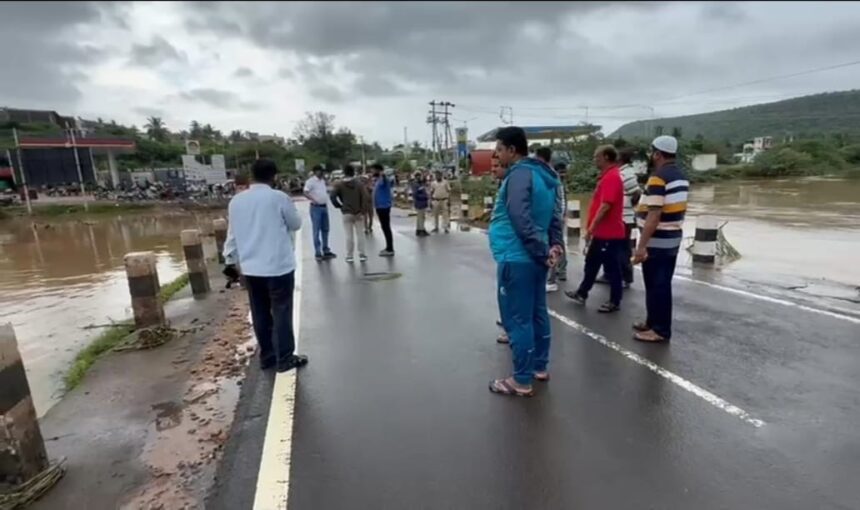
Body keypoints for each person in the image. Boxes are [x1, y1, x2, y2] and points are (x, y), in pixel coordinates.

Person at [488, 127, 563, 398]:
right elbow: (555, 216)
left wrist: (541, 250)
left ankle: (520, 380)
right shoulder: (545, 174)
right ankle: (539, 367)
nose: (497, 154)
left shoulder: (519, 174)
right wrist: (554, 245)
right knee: (537, 312)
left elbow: (520, 218)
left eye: (498, 149)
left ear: (511, 150)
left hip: (517, 256)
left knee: (518, 319)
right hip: (534, 256)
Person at [222, 158, 308, 373]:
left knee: (260, 312)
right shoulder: (279, 198)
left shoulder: (236, 202)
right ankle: (285, 358)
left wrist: (229, 261)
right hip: (278, 266)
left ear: (252, 175)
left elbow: (231, 236)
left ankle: (267, 357)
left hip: (250, 268)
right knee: (281, 311)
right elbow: (295, 224)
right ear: (274, 176)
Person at [632, 135, 689, 343]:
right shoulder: (680, 176)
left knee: (658, 285)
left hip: (658, 240)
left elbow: (653, 216)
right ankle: (652, 321)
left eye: (651, 152)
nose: (650, 155)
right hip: (672, 238)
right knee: (657, 283)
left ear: (657, 154)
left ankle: (660, 330)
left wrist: (641, 246)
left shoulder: (658, 177)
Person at [564, 145, 626, 313]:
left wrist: (591, 228)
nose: (594, 160)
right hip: (602, 232)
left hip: (609, 233)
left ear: (606, 157)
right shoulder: (606, 176)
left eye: (596, 157)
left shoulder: (612, 177)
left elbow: (606, 206)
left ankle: (615, 301)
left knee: (612, 268)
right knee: (591, 263)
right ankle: (582, 292)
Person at [597, 148, 641, 287]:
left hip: (624, 218)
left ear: (620, 160)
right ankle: (609, 274)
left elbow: (636, 193)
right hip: (617, 217)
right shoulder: (617, 172)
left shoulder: (627, 174)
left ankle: (625, 277)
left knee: (622, 250)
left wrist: (627, 205)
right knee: (610, 249)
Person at [535, 147, 568, 292]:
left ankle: (551, 279)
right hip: (554, 216)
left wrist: (558, 216)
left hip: (552, 217)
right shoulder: (549, 174)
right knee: (557, 244)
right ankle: (560, 271)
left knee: (551, 246)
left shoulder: (548, 175)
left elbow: (557, 198)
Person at [330, 164, 371, 263]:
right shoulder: (359, 184)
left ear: (344, 172)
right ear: (353, 172)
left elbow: (332, 196)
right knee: (360, 234)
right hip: (358, 212)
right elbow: (365, 197)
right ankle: (362, 254)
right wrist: (363, 210)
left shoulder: (339, 184)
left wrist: (339, 206)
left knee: (349, 235)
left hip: (346, 212)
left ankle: (349, 256)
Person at [303, 165, 336, 262]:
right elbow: (305, 192)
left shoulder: (322, 181)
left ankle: (326, 249)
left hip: (324, 206)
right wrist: (313, 200)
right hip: (316, 207)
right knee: (316, 230)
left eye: (322, 171)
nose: (321, 173)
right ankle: (318, 251)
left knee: (325, 229)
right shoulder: (310, 182)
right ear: (315, 171)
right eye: (319, 171)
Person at [371, 163, 395, 257]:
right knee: (384, 228)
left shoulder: (383, 179)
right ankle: (388, 247)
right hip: (380, 207)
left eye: (373, 170)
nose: (372, 172)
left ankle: (390, 249)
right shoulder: (378, 180)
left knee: (386, 228)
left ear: (378, 170)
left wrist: (382, 174)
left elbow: (385, 180)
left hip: (383, 207)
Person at [412, 171, 430, 237]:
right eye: (417, 176)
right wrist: (424, 196)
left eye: (420, 175)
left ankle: (419, 229)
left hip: (423, 203)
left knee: (421, 217)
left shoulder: (421, 184)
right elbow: (415, 194)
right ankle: (421, 230)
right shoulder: (415, 184)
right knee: (420, 217)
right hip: (419, 202)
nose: (419, 177)